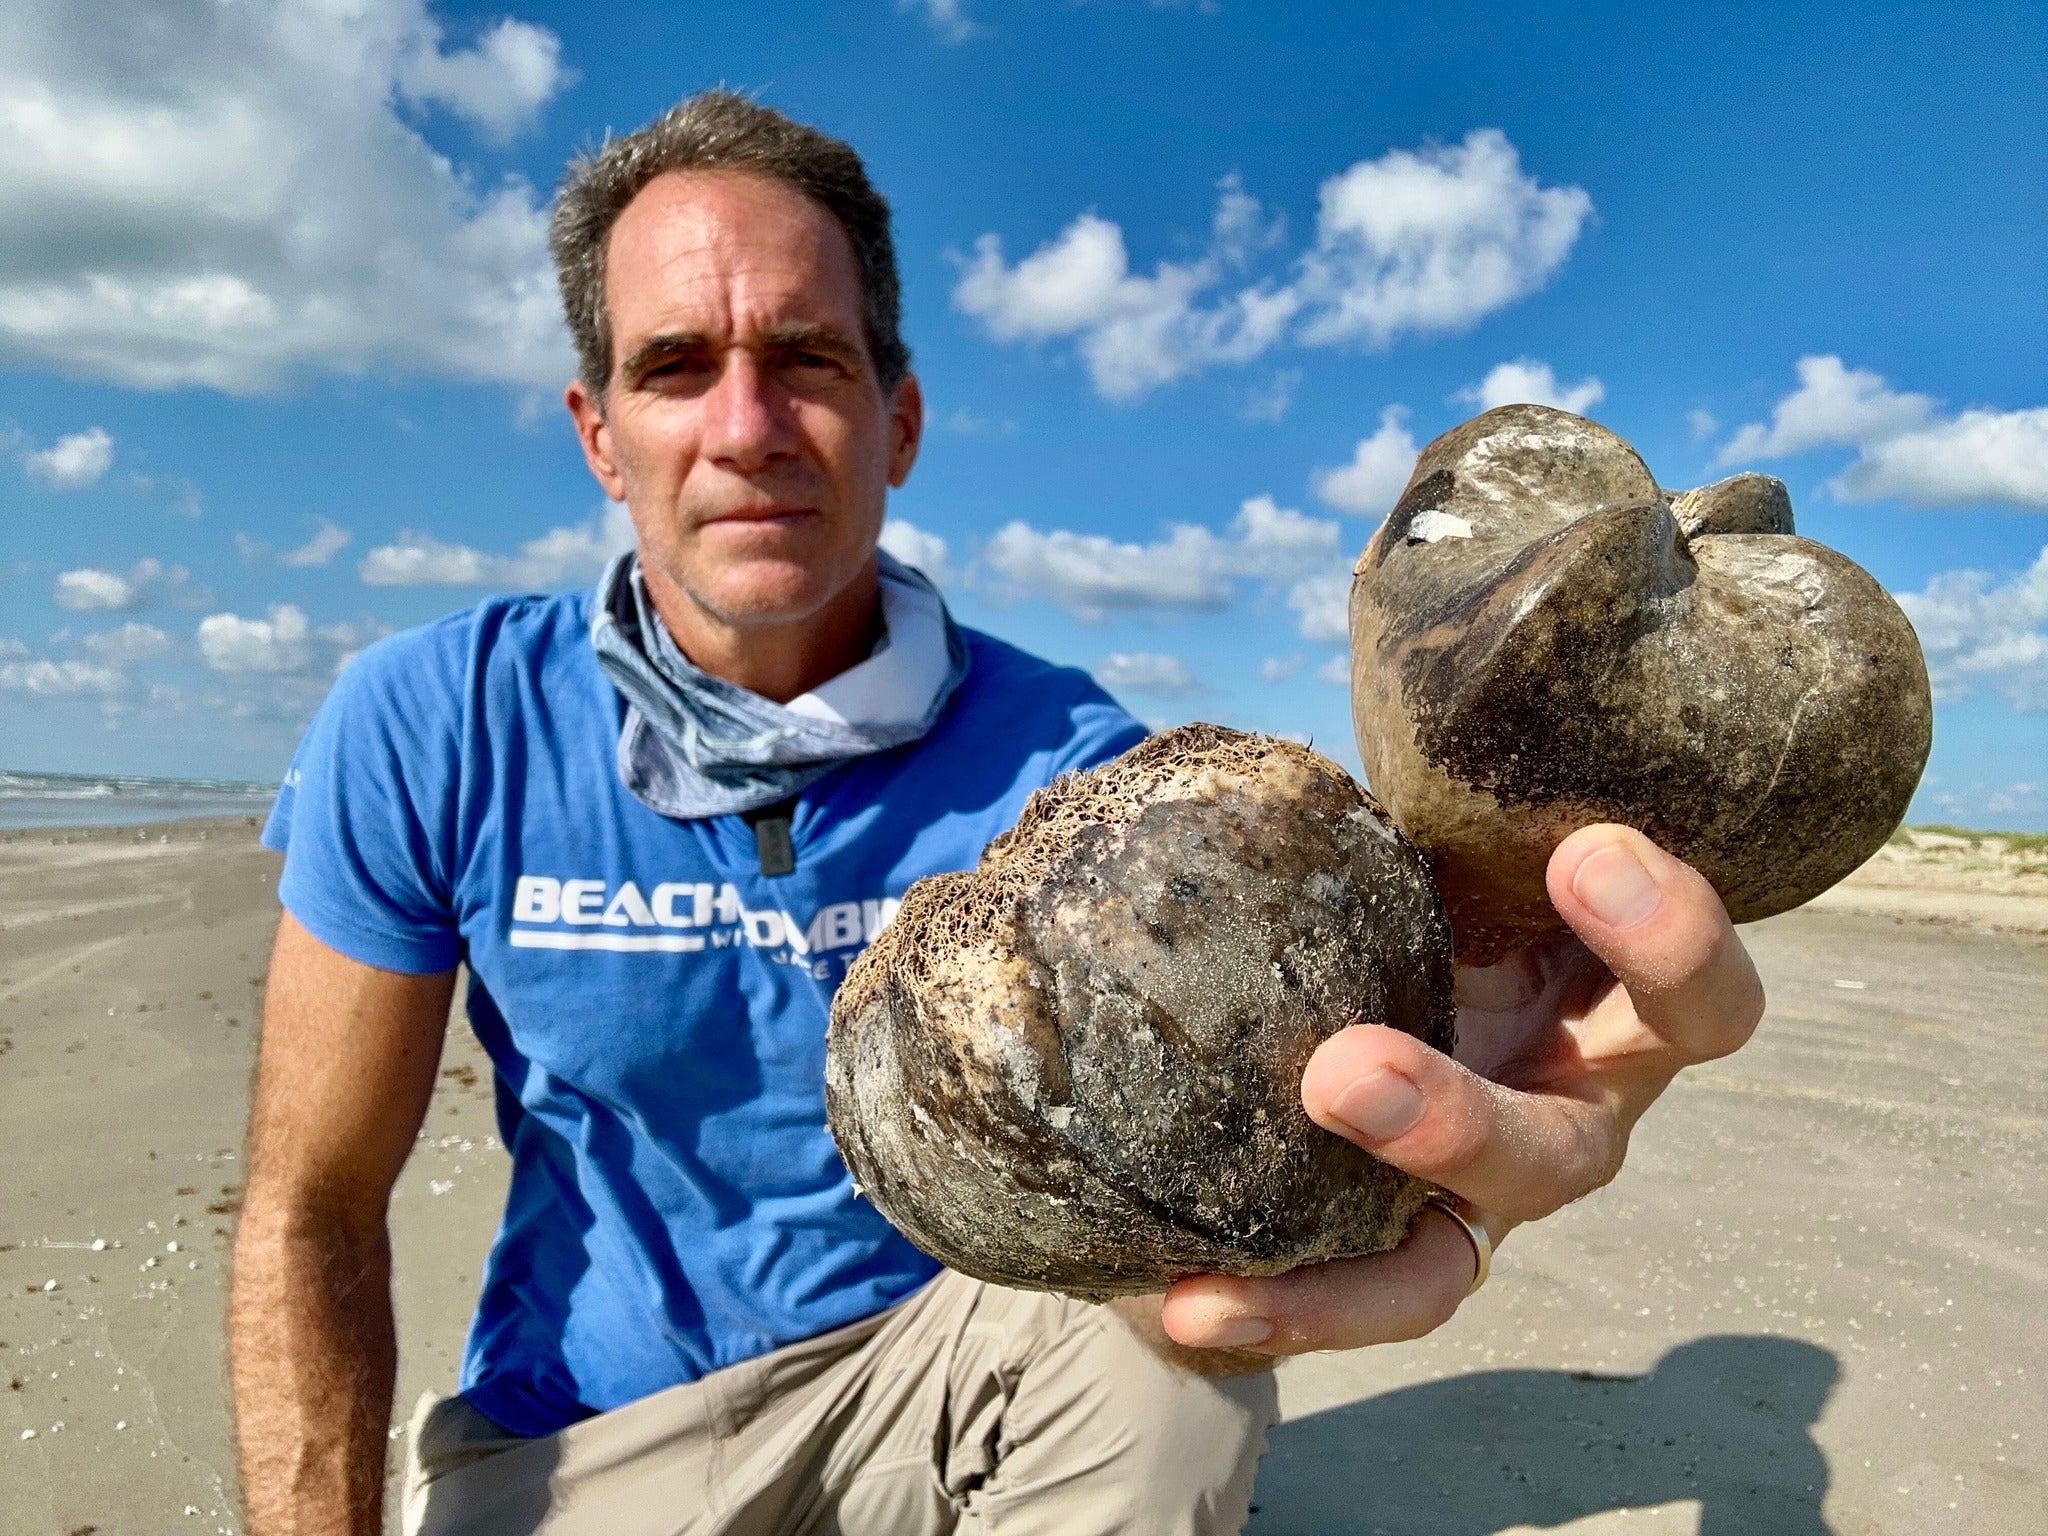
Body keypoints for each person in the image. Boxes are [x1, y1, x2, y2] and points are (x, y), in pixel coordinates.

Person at [227, 92, 1767, 1536]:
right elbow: (309, 1210)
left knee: (1165, 1351)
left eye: (811, 359)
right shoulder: (436, 721)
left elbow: (1277, 1044)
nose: (748, 424)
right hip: (588, 1433)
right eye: (678, 363)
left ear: (898, 421)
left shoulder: (1077, 767)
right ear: (598, 431)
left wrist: (1460, 1048)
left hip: (951, 1374)